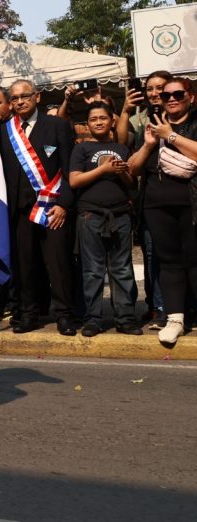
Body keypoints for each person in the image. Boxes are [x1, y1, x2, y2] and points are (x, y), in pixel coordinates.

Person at [0, 79, 78, 335]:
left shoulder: (58, 125)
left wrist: (64, 205)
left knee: (58, 264)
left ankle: (64, 315)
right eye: (14, 98)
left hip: (52, 208)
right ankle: (29, 314)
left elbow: (69, 168)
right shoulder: (5, 131)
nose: (20, 102)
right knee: (25, 266)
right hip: (19, 210)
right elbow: (0, 170)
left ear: (37, 97)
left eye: (25, 96)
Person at [127, 77, 197, 345]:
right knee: (169, 262)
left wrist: (171, 136)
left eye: (178, 94)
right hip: (156, 205)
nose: (171, 99)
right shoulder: (152, 125)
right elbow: (132, 169)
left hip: (191, 203)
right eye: (166, 96)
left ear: (191, 97)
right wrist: (148, 144)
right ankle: (175, 318)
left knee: (194, 260)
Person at [70, 102, 142, 337]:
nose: (99, 122)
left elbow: (131, 183)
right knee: (92, 270)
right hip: (90, 216)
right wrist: (102, 170)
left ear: (112, 121)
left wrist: (121, 172)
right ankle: (92, 319)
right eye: (93, 119)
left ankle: (125, 318)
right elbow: (74, 180)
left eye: (103, 118)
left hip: (120, 215)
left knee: (122, 268)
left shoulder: (121, 148)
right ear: (87, 124)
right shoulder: (81, 149)